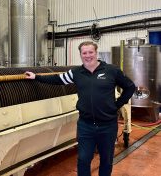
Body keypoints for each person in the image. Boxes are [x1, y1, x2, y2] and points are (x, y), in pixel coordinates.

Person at [25, 41, 135, 176]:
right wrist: (36, 77)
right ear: (80, 54)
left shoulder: (112, 71)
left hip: (108, 125)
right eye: (84, 53)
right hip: (85, 126)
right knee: (83, 159)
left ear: (96, 53)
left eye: (90, 52)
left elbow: (130, 87)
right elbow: (57, 79)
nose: (88, 55)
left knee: (106, 160)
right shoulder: (76, 72)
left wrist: (117, 104)